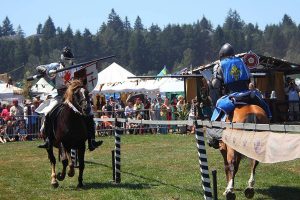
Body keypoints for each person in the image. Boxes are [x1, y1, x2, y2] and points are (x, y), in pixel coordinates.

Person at [35, 46, 102, 151]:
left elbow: (85, 76)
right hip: (60, 95)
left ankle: (91, 140)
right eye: (67, 59)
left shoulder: (76, 67)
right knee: (49, 112)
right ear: (62, 58)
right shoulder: (55, 66)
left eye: (70, 59)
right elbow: (39, 67)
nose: (69, 61)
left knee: (89, 112)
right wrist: (46, 71)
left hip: (73, 95)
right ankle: (48, 139)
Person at [209, 43, 271, 120]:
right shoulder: (243, 62)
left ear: (221, 55)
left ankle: (215, 126)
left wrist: (210, 83)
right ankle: (270, 117)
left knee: (218, 106)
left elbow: (216, 85)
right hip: (247, 94)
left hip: (231, 96)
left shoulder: (219, 65)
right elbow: (249, 78)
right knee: (262, 103)